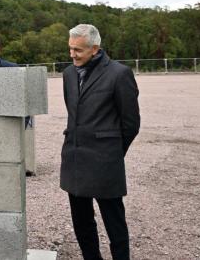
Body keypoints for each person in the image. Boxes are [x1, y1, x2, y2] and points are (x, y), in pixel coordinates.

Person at [60, 24, 140, 260]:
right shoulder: (68, 74)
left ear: (95, 49)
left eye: (78, 50)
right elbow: (73, 114)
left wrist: (113, 152)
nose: (72, 55)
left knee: (114, 222)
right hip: (74, 159)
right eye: (70, 49)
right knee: (82, 222)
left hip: (105, 162)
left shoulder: (119, 74)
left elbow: (131, 123)